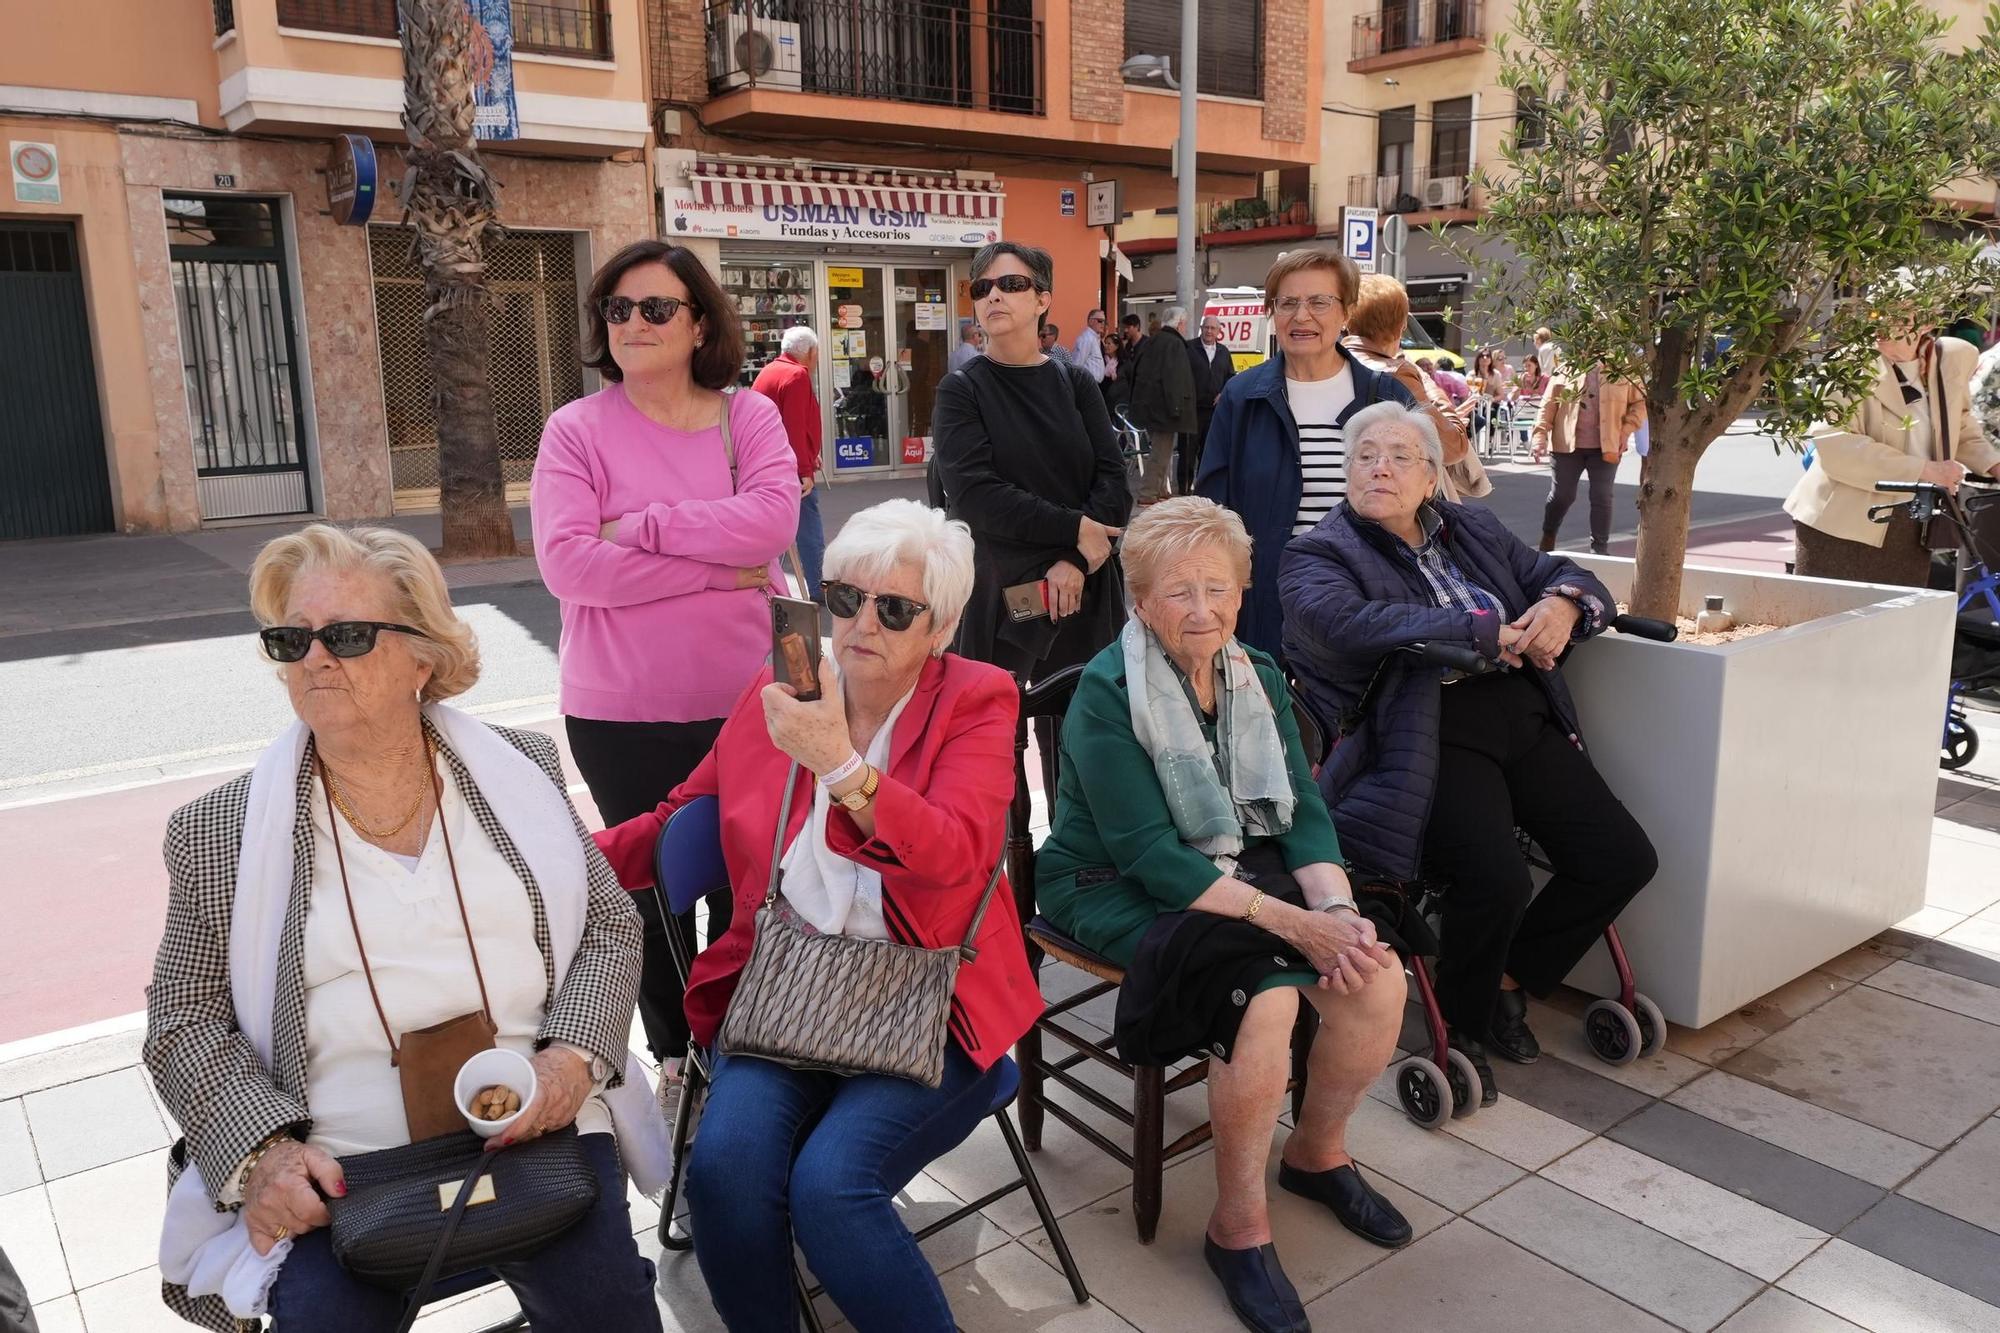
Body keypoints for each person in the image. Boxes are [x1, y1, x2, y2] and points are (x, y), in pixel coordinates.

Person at [147, 525, 667, 1333]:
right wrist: (266, 1155)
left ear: (423, 657)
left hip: (533, 1123)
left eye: (347, 636)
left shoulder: (517, 771)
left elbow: (606, 922)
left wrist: (570, 1062)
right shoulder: (221, 831)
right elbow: (181, 1017)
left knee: (611, 1313)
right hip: (345, 1170)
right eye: (292, 639)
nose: (315, 659)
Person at [593, 500, 1040, 1333]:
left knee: (830, 1188)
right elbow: (673, 820)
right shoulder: (780, 692)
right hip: (785, 993)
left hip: (931, 1002)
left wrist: (838, 763)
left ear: (938, 628)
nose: (861, 623)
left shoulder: (976, 699)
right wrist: (542, 859)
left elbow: (955, 853)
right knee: (724, 1173)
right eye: (843, 598)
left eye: (894, 608)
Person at [1036, 497, 1412, 1333]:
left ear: (1243, 593)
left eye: (1218, 587)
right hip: (1108, 879)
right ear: (1139, 600)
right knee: (1266, 994)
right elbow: (1147, 854)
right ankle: (1236, 1227)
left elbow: (1304, 806)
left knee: (1375, 976)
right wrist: (1291, 925)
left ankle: (1315, 1154)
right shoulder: (1107, 690)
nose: (1202, 609)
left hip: (1233, 865)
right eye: (1178, 591)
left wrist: (1337, 913)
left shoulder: (1259, 675)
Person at [1279, 403, 1657, 1103]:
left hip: (1520, 710)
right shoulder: (1318, 553)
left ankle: (1512, 976)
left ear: (1431, 478)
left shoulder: (1471, 525)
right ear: (1347, 470)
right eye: (1365, 455)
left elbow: (1560, 570)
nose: (1380, 467)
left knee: (1623, 858)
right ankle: (1465, 1015)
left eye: (1399, 456)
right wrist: (1480, 628)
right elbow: (1346, 623)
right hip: (1420, 731)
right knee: (1498, 879)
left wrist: (1565, 605)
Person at [530, 239, 799, 1074]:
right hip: (619, 711)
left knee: (747, 880)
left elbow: (773, 525)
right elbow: (570, 565)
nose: (634, 324)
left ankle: (741, 1033)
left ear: (697, 324)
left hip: (748, 702)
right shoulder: (574, 430)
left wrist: (639, 527)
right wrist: (721, 568)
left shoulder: (746, 414)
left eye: (656, 308)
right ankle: (677, 1051)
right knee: (646, 889)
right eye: (618, 310)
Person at [1195, 248, 1417, 657]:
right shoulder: (1242, 399)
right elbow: (1212, 510)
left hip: (1369, 603)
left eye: (1319, 302)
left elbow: (1420, 505)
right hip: (1265, 606)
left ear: (1346, 312)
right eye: (1288, 303)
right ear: (1272, 312)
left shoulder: (1386, 399)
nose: (1302, 317)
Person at [933, 241, 1132, 679]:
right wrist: (1075, 529)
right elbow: (976, 495)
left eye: (1011, 284)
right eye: (982, 287)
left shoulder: (1075, 382)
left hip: (1085, 584)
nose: (993, 296)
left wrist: (1075, 560)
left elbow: (1114, 481)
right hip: (1004, 592)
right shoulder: (961, 389)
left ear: (1043, 299)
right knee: (997, 733)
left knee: (1084, 727)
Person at [1789, 328, 1999, 586]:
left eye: (1901, 315)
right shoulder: (1850, 364)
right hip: (1841, 524)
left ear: (1926, 321)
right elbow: (1835, 442)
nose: (1883, 324)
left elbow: (1961, 427)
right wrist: (1926, 470)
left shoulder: (1949, 359)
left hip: (1912, 525)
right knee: (1829, 618)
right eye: (1877, 312)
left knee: (1899, 620)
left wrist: (1994, 464)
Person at [1340, 274, 1485, 502]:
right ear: (1401, 327)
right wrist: (1428, 385)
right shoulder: (1398, 374)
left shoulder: (1328, 365)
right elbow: (1453, 447)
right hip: (1389, 505)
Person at [1531, 363, 1646, 554]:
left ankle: (1600, 550)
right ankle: (1549, 533)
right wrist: (1539, 437)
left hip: (1606, 445)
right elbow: (1548, 403)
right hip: (1566, 445)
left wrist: (1625, 431)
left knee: (1602, 496)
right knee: (1562, 496)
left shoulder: (1621, 365)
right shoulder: (1568, 365)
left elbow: (1640, 402)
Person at [752, 324, 825, 598]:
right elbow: (793, 427)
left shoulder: (769, 371)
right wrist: (804, 469)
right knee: (809, 530)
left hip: (767, 465)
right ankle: (819, 588)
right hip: (788, 469)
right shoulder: (796, 375)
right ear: (810, 352)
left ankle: (769, 588)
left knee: (777, 532)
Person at [1129, 304, 1199, 503]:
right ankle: (1148, 492)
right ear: (1179, 323)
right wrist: (1176, 408)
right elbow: (1173, 378)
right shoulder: (1173, 343)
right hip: (1165, 410)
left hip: (1150, 407)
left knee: (1162, 452)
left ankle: (1159, 490)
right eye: (1184, 323)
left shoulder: (1155, 340)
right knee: (1160, 453)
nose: (1185, 327)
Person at [1183, 313, 1239, 495]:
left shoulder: (1223, 351)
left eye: (1213, 328)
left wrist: (1223, 394)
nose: (1209, 331)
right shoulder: (1190, 348)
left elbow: (1231, 376)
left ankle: (1203, 490)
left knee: (1208, 452)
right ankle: (1184, 491)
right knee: (1187, 453)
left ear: (1218, 332)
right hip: (1192, 410)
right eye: (1206, 327)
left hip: (1214, 411)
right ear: (1201, 329)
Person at [1075, 306, 1109, 385]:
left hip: (1094, 384)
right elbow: (1077, 364)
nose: (1103, 324)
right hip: (1087, 384)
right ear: (1090, 321)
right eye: (1100, 321)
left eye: (1104, 321)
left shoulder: (1095, 338)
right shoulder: (1086, 338)